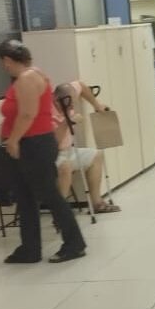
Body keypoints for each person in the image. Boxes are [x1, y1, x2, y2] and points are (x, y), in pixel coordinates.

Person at [0, 40, 87, 264]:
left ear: (7, 60)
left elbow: (28, 114)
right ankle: (30, 248)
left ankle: (74, 244)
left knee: (49, 194)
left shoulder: (27, 78)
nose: (3, 67)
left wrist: (13, 140)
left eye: (3, 62)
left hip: (33, 144)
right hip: (31, 143)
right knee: (25, 196)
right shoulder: (33, 74)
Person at [52, 81, 120, 213]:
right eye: (69, 104)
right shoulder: (47, 111)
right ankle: (60, 212)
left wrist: (97, 105)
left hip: (69, 150)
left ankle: (97, 203)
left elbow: (81, 85)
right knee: (65, 166)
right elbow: (53, 142)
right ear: (56, 100)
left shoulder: (68, 94)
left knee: (96, 155)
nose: (72, 107)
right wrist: (67, 123)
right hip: (54, 154)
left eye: (73, 103)